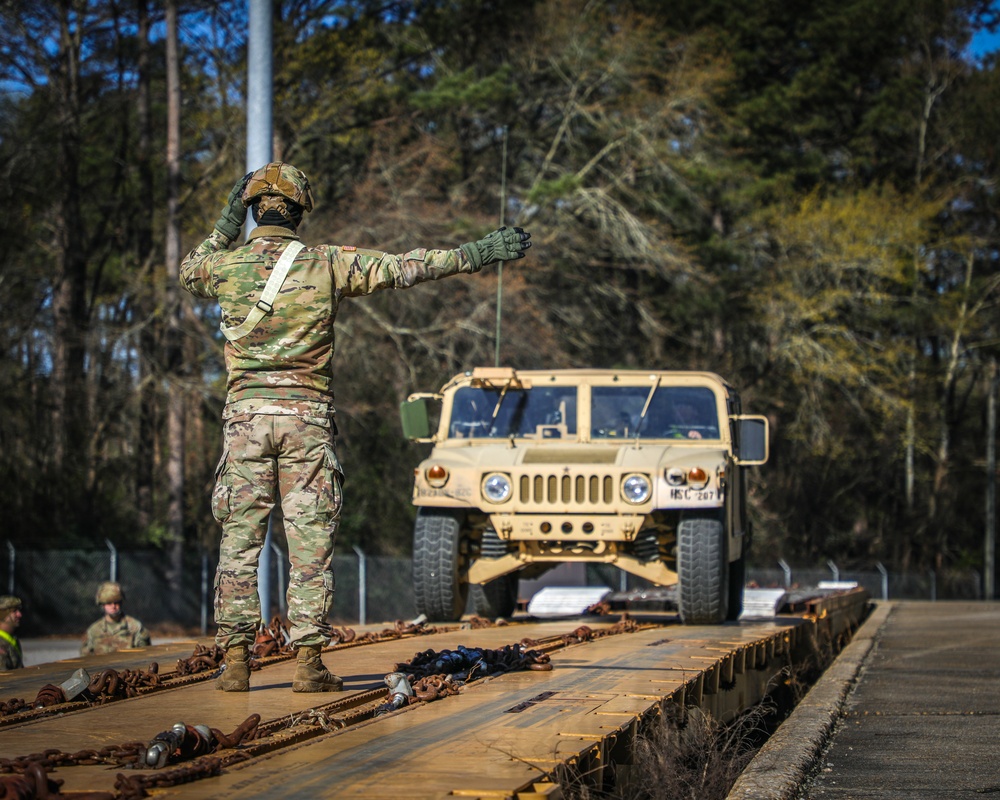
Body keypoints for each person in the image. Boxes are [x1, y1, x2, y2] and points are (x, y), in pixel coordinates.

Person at [179, 161, 531, 693]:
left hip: (245, 421)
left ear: (252, 211)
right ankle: (307, 664)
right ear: (300, 211)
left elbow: (190, 268)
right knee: (310, 544)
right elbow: (406, 266)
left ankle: (234, 663)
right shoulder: (326, 264)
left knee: (239, 543)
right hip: (308, 423)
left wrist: (227, 222)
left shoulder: (225, 267)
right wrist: (474, 255)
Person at [81, 581, 152, 656]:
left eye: (116, 602)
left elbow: (145, 655)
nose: (113, 606)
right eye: (109, 603)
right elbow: (85, 658)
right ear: (102, 605)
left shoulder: (135, 627)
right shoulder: (94, 630)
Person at [0, 595, 24, 671]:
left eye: (19, 611)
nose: (19, 615)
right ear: (3, 614)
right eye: (14, 611)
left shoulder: (12, 638)